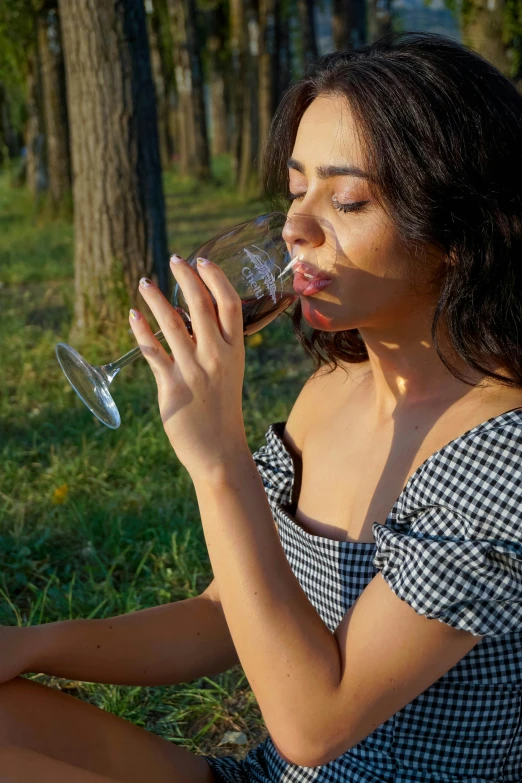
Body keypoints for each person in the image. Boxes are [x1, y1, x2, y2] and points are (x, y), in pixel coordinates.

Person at [1, 29, 522, 783]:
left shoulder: (500, 451)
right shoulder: (329, 393)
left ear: (458, 230)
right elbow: (231, 613)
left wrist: (220, 463)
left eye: (346, 199)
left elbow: (314, 724)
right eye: (294, 188)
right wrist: (35, 643)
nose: (295, 227)